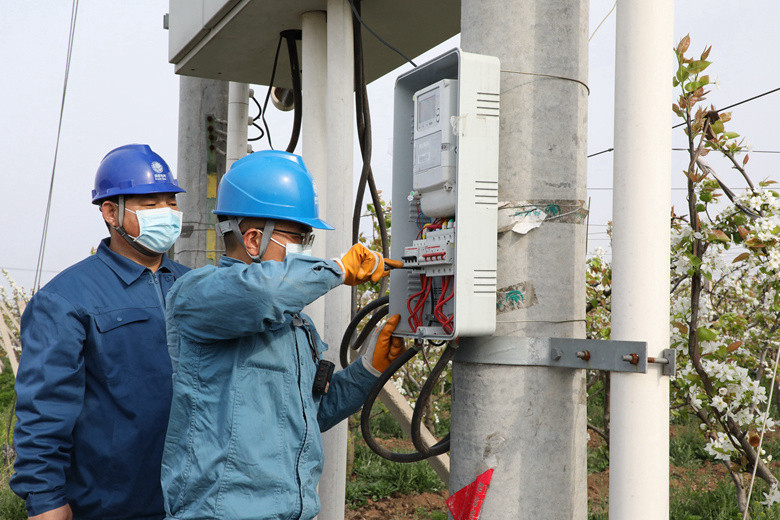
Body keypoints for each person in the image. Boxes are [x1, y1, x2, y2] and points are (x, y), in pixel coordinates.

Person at [160, 150, 405, 520]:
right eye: (301, 237)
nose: (307, 250)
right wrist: (337, 269)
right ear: (254, 240)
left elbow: (308, 417)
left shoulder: (296, 325)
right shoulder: (196, 294)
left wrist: (368, 370)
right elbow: (262, 293)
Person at [11, 144, 190, 520]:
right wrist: (45, 500)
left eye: (171, 202)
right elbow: (45, 408)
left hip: (195, 499)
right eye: (150, 203)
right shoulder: (65, 298)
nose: (167, 214)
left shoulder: (194, 287)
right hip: (111, 504)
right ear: (111, 212)